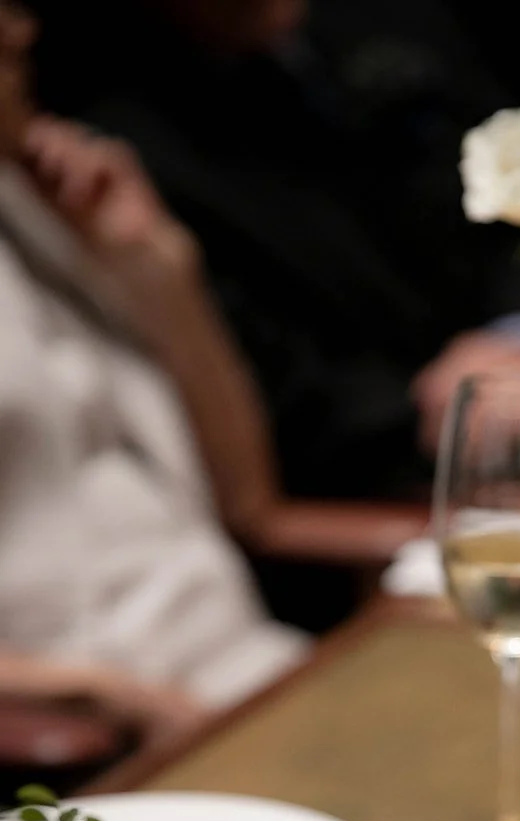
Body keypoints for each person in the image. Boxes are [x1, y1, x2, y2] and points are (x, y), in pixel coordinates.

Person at [29, 0, 520, 508]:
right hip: (382, 492)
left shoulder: (396, 20)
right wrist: (468, 412)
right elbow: (282, 395)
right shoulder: (130, 142)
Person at [0, 2, 322, 761]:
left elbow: (249, 502)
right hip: (108, 727)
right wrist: (101, 697)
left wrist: (160, 267)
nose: (20, 28)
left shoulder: (44, 201)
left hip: (252, 662)